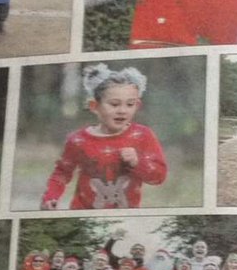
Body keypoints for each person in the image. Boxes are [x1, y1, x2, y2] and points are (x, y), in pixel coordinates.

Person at [41, 63, 167, 210]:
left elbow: (158, 177)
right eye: (114, 104)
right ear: (94, 106)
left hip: (126, 214)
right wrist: (51, 197)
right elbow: (61, 173)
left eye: (130, 104)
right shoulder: (78, 140)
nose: (122, 110)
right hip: (83, 212)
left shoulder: (142, 135)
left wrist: (137, 162)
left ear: (137, 106)